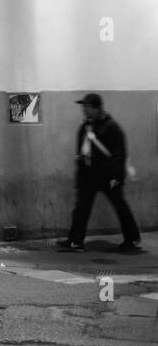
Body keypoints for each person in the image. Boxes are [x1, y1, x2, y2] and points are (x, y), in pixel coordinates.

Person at [59, 93, 142, 253]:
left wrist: (116, 177)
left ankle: (131, 239)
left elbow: (119, 154)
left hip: (107, 176)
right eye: (83, 107)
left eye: (88, 107)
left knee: (120, 206)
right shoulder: (85, 127)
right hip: (89, 175)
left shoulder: (111, 128)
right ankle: (75, 241)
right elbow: (82, 150)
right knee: (81, 208)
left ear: (97, 108)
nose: (84, 110)